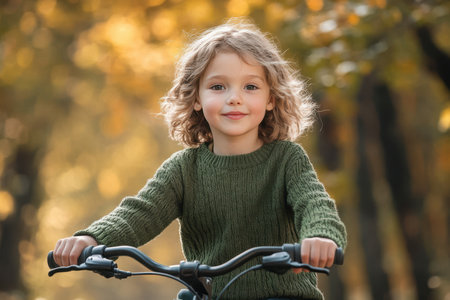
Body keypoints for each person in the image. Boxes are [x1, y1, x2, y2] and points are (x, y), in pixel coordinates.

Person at [52, 19, 347, 300]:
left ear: (271, 98)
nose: (234, 98)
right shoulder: (183, 170)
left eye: (251, 87)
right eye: (218, 87)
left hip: (282, 296)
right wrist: (91, 240)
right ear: (196, 97)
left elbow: (314, 203)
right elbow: (139, 213)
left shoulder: (286, 159)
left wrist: (321, 238)